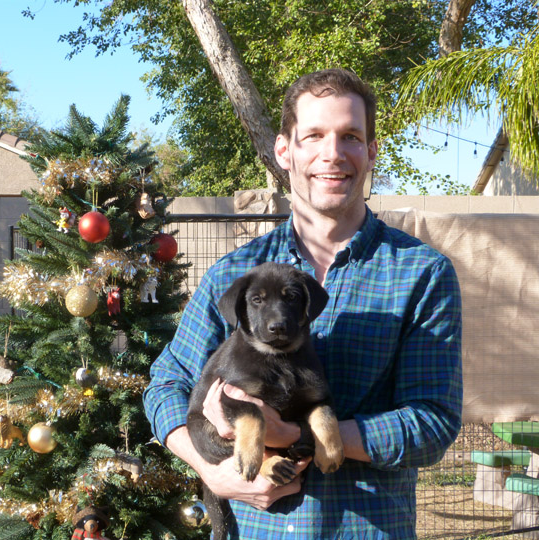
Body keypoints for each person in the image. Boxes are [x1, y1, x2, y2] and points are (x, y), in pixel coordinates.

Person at [143, 68, 462, 539]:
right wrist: (207, 467)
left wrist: (294, 436)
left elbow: (433, 422)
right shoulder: (235, 275)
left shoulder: (421, 274)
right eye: (313, 135)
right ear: (284, 150)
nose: (332, 154)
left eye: (350, 136)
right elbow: (165, 385)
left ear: (371, 151)